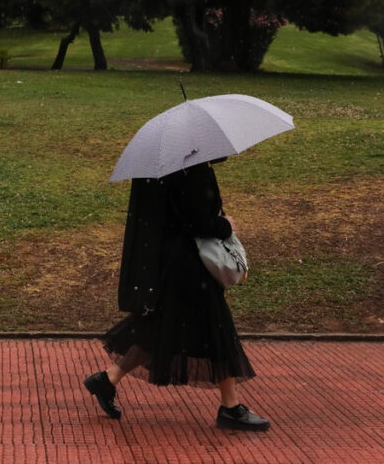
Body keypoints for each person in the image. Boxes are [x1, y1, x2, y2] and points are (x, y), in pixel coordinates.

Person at [83, 160, 270, 431]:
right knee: (218, 329)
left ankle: (108, 380)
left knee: (161, 327)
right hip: (190, 268)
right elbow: (198, 223)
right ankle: (230, 407)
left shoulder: (164, 168)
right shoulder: (192, 170)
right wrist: (226, 225)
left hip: (172, 263)